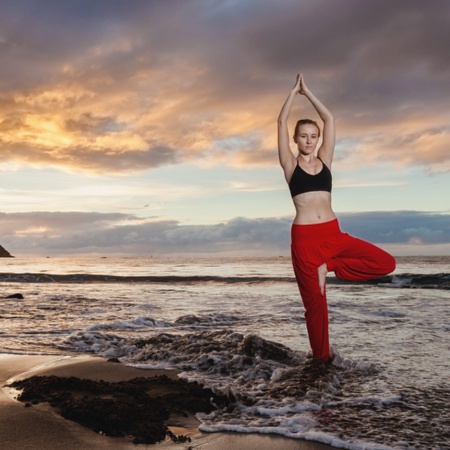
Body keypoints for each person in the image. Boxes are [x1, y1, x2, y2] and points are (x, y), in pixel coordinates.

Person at [277, 73, 396, 362]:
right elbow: (280, 122)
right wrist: (293, 93)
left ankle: (328, 266)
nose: (309, 140)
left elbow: (330, 120)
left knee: (386, 262)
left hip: (333, 235)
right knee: (315, 306)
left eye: (313, 136)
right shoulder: (290, 165)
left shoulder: (325, 160)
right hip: (305, 241)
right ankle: (322, 360)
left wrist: (309, 92)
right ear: (295, 139)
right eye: (303, 135)